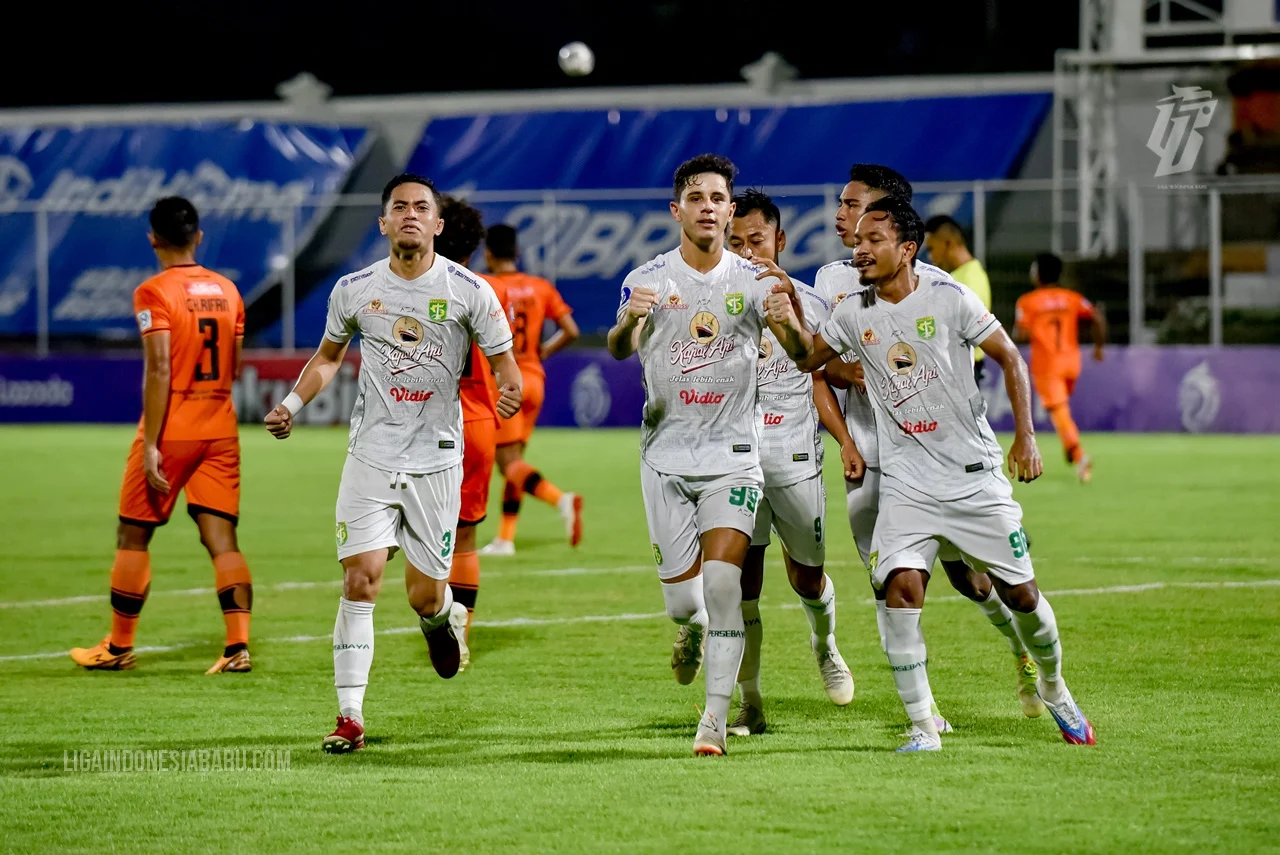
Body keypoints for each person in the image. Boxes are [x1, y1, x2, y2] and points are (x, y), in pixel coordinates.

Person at [775, 195, 1095, 752]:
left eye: (873, 240)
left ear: (907, 248)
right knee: (900, 591)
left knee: (1021, 596)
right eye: (857, 241)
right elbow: (808, 360)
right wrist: (788, 313)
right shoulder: (853, 312)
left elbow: (1010, 357)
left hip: (973, 477)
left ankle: (1054, 686)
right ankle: (924, 727)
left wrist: (1025, 436)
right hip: (907, 484)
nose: (860, 250)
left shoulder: (949, 297)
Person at [263, 173, 521, 754]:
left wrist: (511, 391)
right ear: (382, 223)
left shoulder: (470, 290)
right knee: (360, 579)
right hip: (371, 457)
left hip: (436, 461)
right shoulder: (355, 289)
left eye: (421, 207)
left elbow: (505, 365)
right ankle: (349, 716)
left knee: (423, 596)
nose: (409, 214)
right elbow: (327, 358)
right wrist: (291, 404)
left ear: (438, 224)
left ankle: (439, 619)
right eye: (399, 206)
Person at [822, 166, 1042, 723]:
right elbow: (816, 365)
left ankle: (1021, 649)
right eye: (842, 206)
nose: (842, 216)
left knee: (969, 578)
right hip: (871, 458)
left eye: (854, 206)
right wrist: (845, 433)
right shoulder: (829, 282)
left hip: (939, 459)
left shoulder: (936, 285)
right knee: (889, 583)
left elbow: (968, 355)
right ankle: (923, 713)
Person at [607, 153, 799, 756]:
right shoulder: (647, 279)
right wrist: (629, 322)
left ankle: (713, 720)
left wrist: (788, 321)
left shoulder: (756, 281)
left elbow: (799, 351)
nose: (708, 207)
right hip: (664, 458)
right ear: (677, 210)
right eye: (696, 198)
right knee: (684, 604)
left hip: (733, 456)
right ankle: (688, 630)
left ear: (730, 210)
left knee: (722, 585)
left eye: (718, 198)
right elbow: (618, 348)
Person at [71, 196, 254, 675]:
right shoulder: (229, 290)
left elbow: (158, 368)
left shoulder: (154, 292)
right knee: (222, 537)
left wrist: (152, 443)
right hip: (220, 425)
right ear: (198, 236)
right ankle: (237, 647)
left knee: (133, 534)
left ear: (153, 239)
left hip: (174, 426)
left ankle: (118, 647)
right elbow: (234, 365)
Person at [723, 189, 857, 737]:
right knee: (741, 586)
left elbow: (824, 376)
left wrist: (845, 441)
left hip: (794, 456)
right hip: (734, 462)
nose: (746, 252)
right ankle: (750, 703)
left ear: (779, 240)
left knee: (807, 578)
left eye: (755, 240)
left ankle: (825, 645)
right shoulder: (717, 302)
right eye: (735, 242)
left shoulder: (810, 302)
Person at [478, 225, 582, 556]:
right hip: (535, 379)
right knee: (516, 464)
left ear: (488, 255)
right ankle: (505, 539)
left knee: (508, 464)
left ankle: (561, 499)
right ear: (518, 253)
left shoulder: (485, 287)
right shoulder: (540, 287)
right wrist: (545, 351)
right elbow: (571, 330)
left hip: (505, 381)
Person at [433, 195, 506, 669]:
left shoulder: (417, 287)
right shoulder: (484, 291)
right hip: (479, 421)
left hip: (430, 422)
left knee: (421, 533)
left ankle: (436, 612)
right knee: (464, 539)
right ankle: (460, 632)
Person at [1014, 252, 1106, 483]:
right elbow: (1096, 317)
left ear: (1037, 273)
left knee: (1058, 411)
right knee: (1062, 408)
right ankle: (1069, 445)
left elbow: (1021, 333)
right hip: (1072, 363)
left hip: (1048, 365)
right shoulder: (1071, 297)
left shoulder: (1028, 301)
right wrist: (1098, 347)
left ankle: (1079, 455)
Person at [923, 214, 992, 383]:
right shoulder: (958, 276)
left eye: (931, 249)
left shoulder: (969, 281)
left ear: (948, 243)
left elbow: (959, 332)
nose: (930, 257)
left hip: (963, 371)